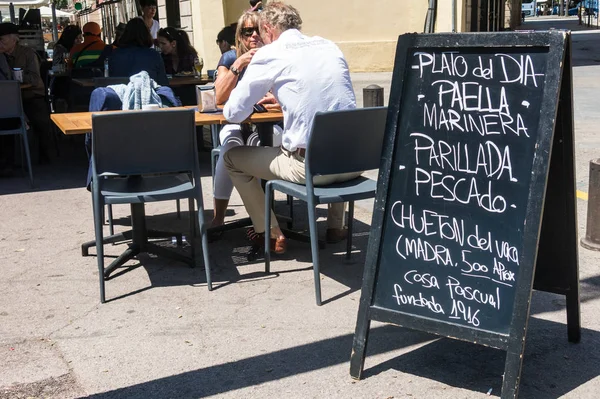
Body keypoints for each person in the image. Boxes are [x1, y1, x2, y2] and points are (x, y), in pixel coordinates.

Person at [223, 2, 358, 253]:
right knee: (335, 135)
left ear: (267, 28)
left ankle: (269, 231)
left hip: (312, 169)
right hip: (352, 163)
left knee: (231, 158)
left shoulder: (271, 52)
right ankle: (336, 227)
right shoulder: (329, 46)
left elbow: (233, 113)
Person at [209, 12, 282, 235]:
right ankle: (219, 217)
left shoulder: (277, 57)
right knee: (230, 146)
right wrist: (239, 63)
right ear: (239, 36)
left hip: (272, 124)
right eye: (246, 31)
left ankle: (263, 220)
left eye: (257, 30)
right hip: (235, 122)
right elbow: (218, 97)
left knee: (259, 144)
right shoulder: (230, 58)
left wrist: (273, 99)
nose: (253, 36)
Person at [0, 23, 52, 173]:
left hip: (30, 94)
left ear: (14, 39)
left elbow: (35, 79)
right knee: (5, 119)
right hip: (8, 99)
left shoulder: (28, 54)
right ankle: (8, 161)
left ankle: (44, 153)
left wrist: (16, 77)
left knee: (39, 118)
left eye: (2, 40)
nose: (0, 44)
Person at [109, 18, 168, 86]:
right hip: (148, 94)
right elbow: (163, 83)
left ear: (125, 34)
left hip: (121, 95)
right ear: (146, 34)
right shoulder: (154, 55)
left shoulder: (115, 54)